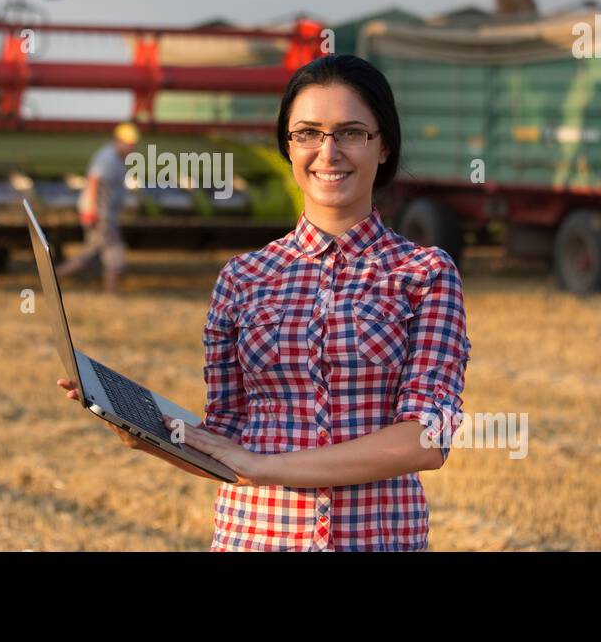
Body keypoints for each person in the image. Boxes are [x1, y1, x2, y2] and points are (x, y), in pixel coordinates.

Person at [57, 54, 471, 551]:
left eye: (351, 133)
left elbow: (426, 439)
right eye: (308, 133)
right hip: (255, 537)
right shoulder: (242, 278)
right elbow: (225, 442)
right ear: (288, 146)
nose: (328, 151)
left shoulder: (425, 274)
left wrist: (264, 466)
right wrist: (145, 434)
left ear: (383, 147)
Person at [56, 122, 139, 294]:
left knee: (95, 255)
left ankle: (52, 279)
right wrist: (91, 212)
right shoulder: (107, 158)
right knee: (110, 254)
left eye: (132, 144)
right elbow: (93, 182)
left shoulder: (118, 158)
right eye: (128, 143)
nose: (130, 147)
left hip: (105, 214)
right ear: (118, 140)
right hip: (100, 215)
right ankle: (52, 279)